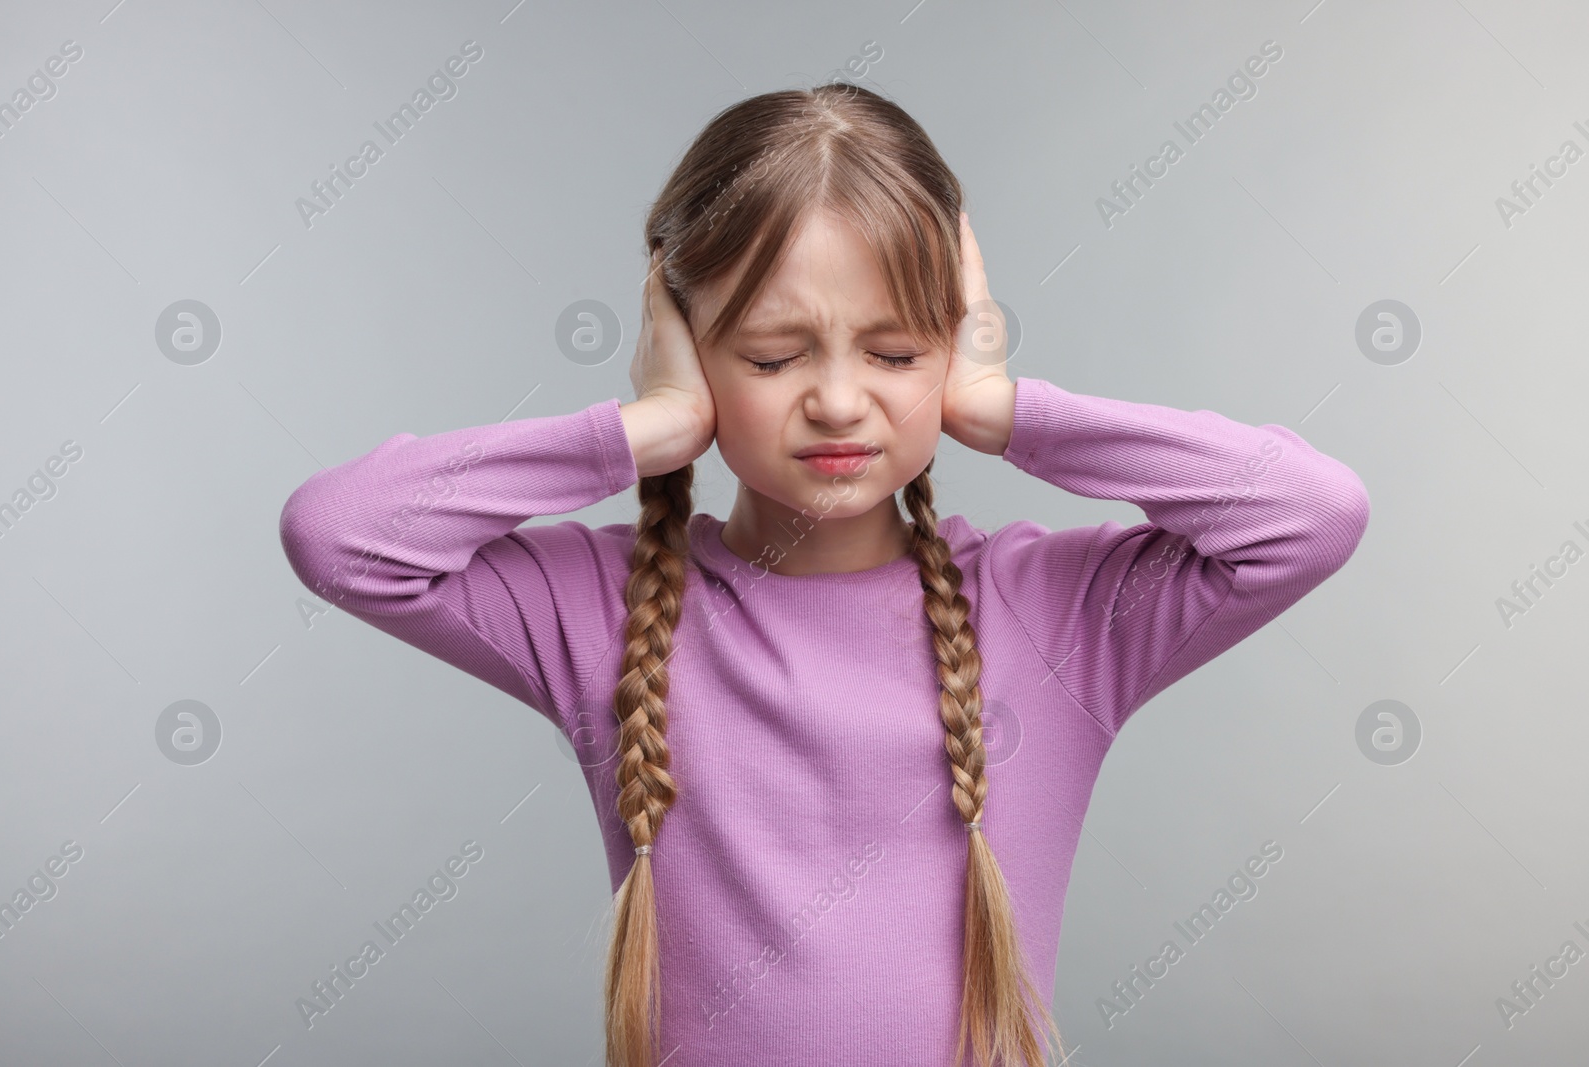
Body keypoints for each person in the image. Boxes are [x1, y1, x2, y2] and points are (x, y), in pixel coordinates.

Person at [278, 83, 1370, 1067]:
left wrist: (999, 407)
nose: (840, 401)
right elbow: (341, 533)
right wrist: (642, 427)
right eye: (769, 355)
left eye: (896, 354)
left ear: (953, 343)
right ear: (687, 348)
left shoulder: (1052, 614)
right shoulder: (599, 610)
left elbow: (1308, 514)